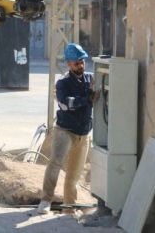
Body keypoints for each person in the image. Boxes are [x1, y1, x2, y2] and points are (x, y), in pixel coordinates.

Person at [37, 43, 100, 215]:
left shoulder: (90, 79)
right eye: (76, 63)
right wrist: (87, 98)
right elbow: (66, 104)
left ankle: (69, 209)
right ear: (69, 64)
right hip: (65, 131)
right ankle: (45, 200)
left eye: (82, 62)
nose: (80, 65)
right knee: (56, 163)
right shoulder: (63, 83)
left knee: (73, 175)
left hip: (83, 134)